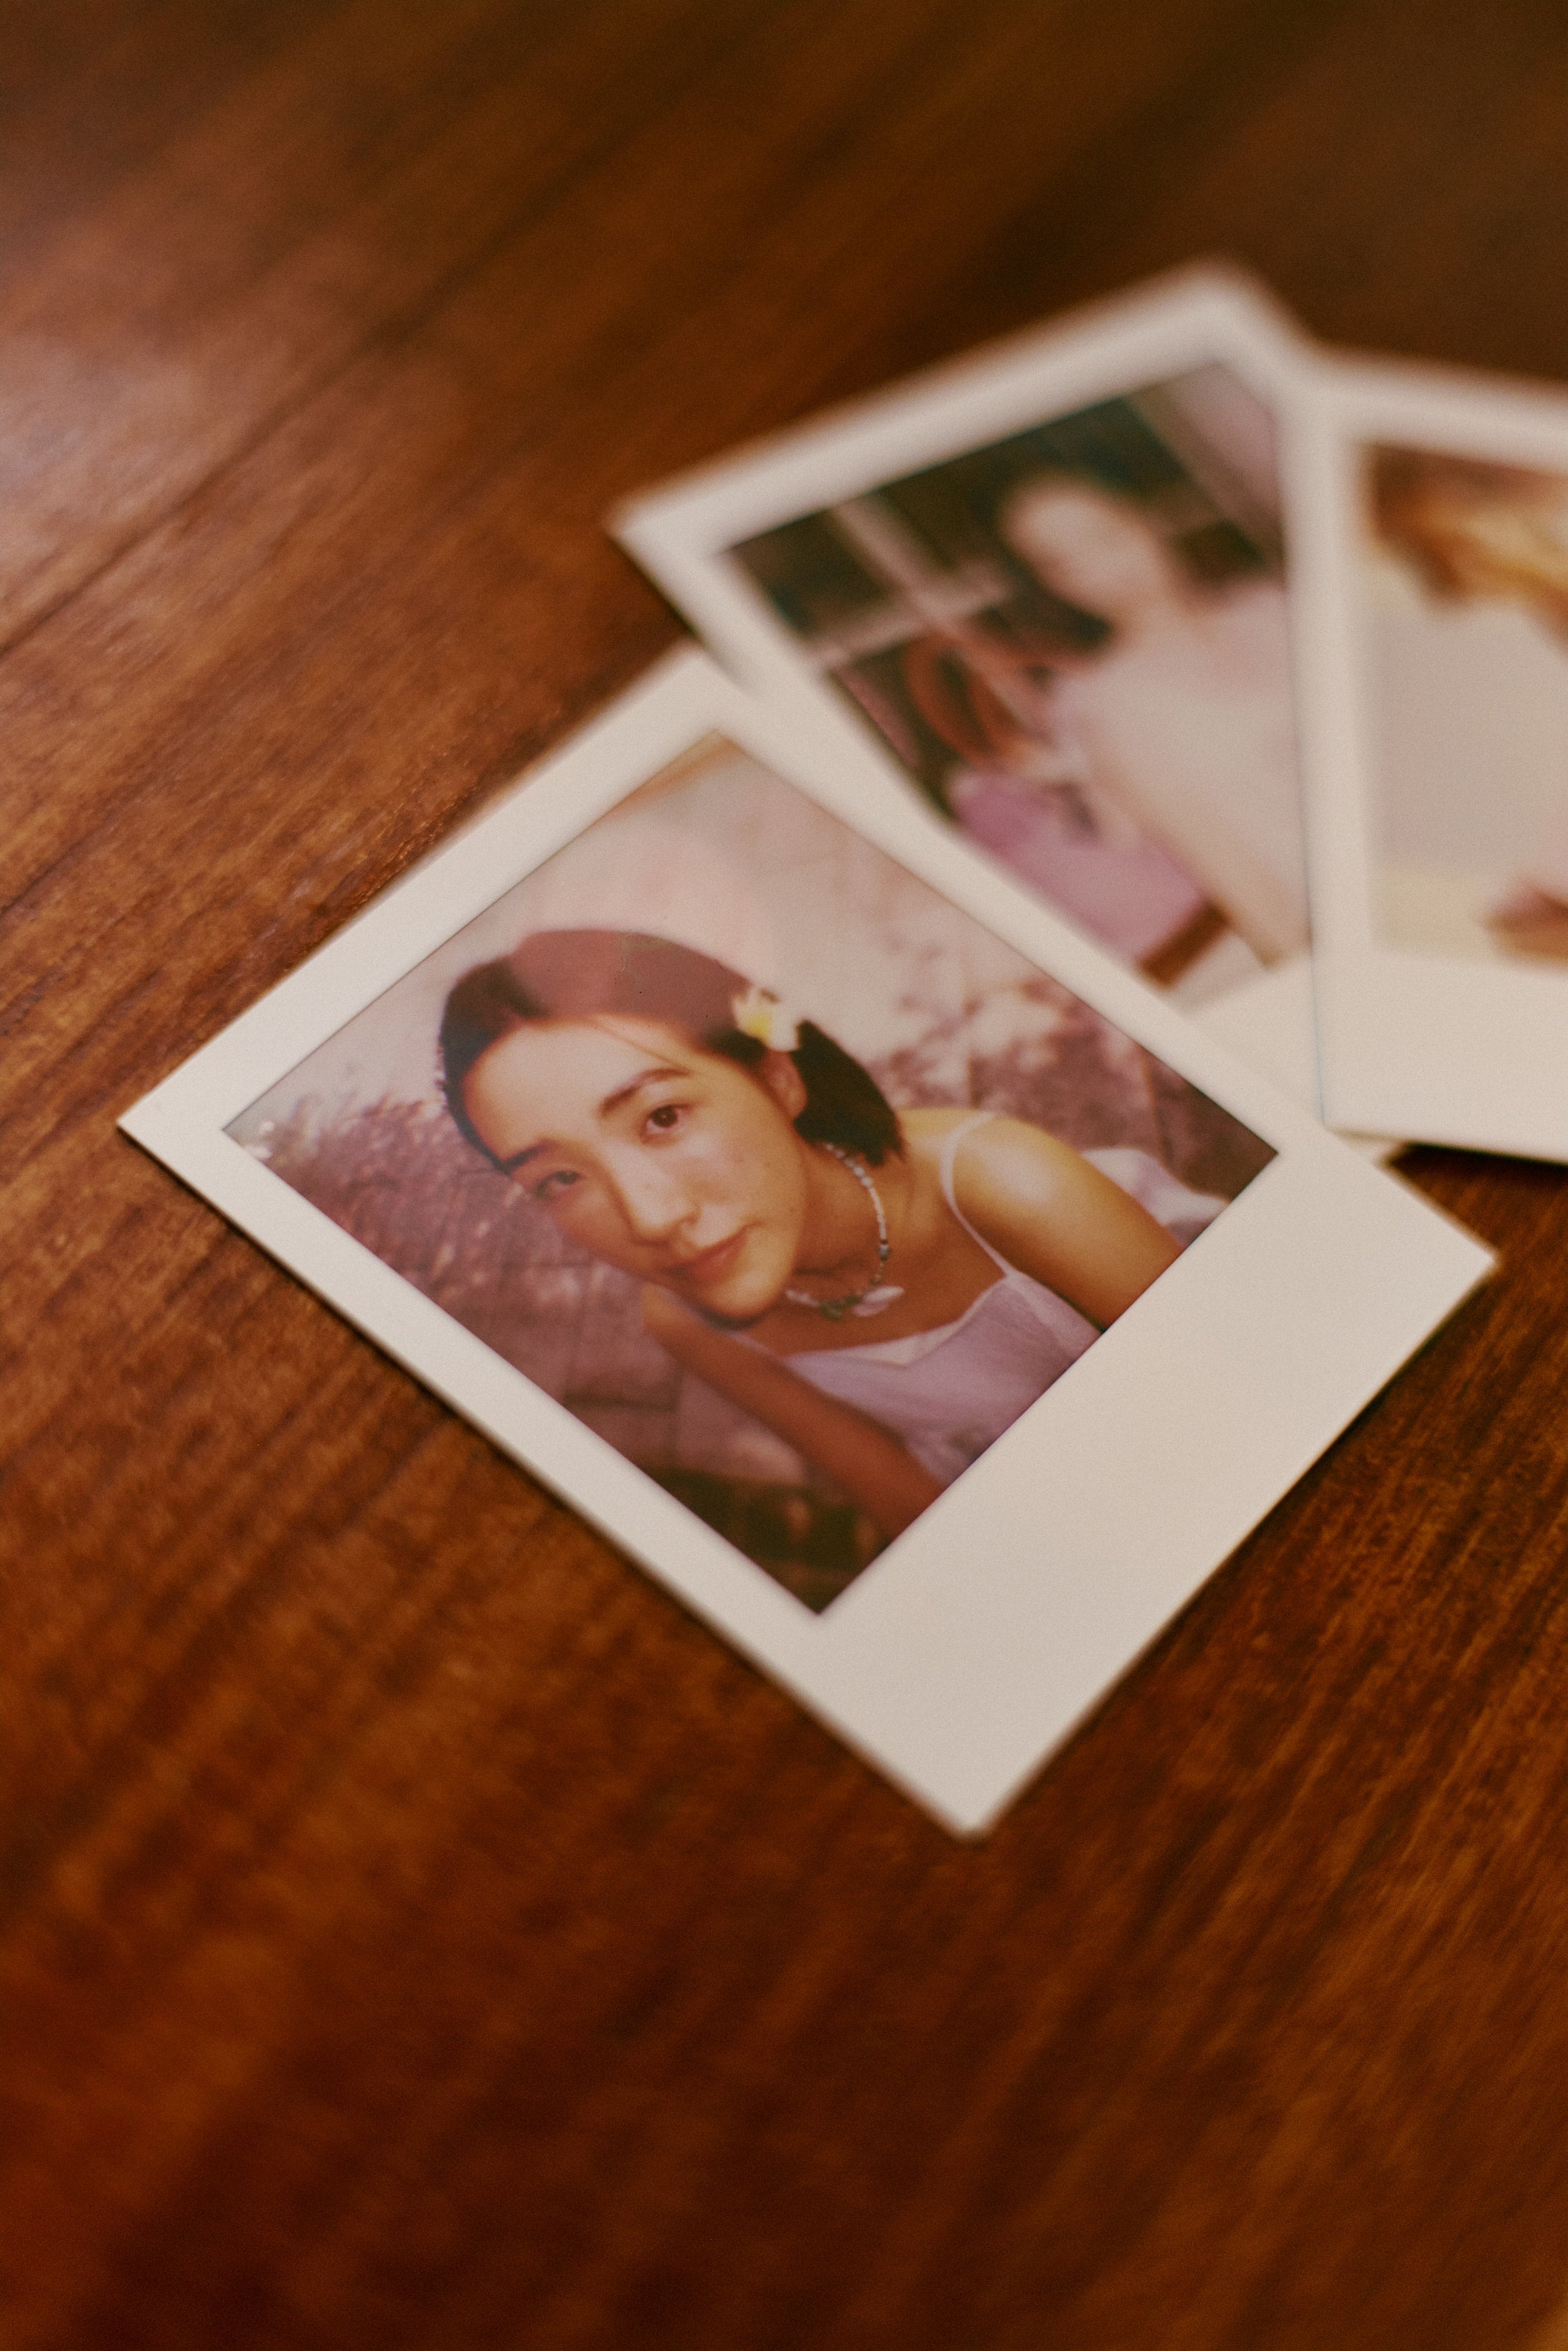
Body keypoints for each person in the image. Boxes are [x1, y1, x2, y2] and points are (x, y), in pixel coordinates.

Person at [440, 928, 1181, 1545]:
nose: (650, 1218)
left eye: (663, 1117)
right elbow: (909, 1509)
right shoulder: (683, 1319)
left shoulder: (1008, 1185)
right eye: (558, 1179)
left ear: (777, 1078)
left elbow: (1220, 1398)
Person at [996, 474, 1310, 966]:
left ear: (1145, 519)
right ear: (1055, 587)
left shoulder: (1278, 606)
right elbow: (1242, 885)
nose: (1107, 567)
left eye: (1105, 534)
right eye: (1067, 562)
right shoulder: (1110, 709)